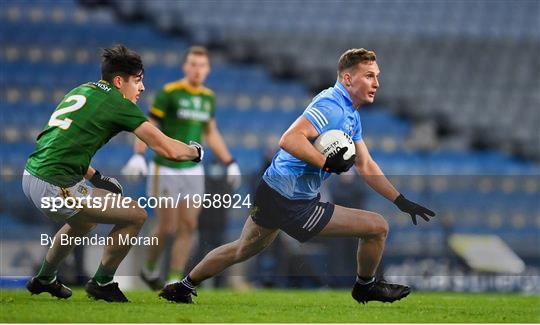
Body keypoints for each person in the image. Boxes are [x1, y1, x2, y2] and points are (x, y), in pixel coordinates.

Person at [159, 48, 435, 304]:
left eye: (377, 76)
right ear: (348, 79)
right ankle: (365, 286)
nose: (376, 83)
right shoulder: (332, 105)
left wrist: (400, 200)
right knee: (377, 227)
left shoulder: (351, 115)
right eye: (369, 76)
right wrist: (326, 163)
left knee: (242, 249)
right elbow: (289, 139)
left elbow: (366, 165)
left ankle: (182, 286)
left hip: (273, 189)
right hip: (291, 199)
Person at [22, 44, 203, 303]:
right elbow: (167, 148)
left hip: (32, 175)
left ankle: (44, 278)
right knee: (136, 215)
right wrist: (195, 151)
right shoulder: (118, 104)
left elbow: (58, 141)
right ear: (119, 81)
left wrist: (96, 176)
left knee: (84, 221)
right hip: (56, 184)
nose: (141, 88)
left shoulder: (83, 89)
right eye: (138, 81)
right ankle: (102, 283)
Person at [121, 46, 240, 289]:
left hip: (193, 170)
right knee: (168, 226)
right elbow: (149, 125)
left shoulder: (208, 97)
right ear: (185, 67)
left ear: (208, 70)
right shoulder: (169, 93)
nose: (197, 70)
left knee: (189, 226)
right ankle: (150, 268)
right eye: (193, 64)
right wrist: (138, 155)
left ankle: (175, 278)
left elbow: (210, 132)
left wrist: (230, 161)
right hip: (165, 167)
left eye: (202, 65)